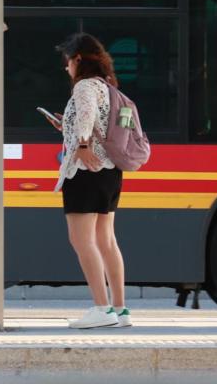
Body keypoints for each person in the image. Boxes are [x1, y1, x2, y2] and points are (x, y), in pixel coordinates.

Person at [49, 33, 131, 329]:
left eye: (67, 61)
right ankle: (120, 310)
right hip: (110, 171)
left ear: (78, 59)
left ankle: (101, 308)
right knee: (106, 240)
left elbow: (86, 116)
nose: (66, 68)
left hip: (85, 170)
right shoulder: (108, 86)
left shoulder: (85, 86)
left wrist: (81, 146)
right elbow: (100, 122)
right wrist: (65, 126)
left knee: (81, 240)